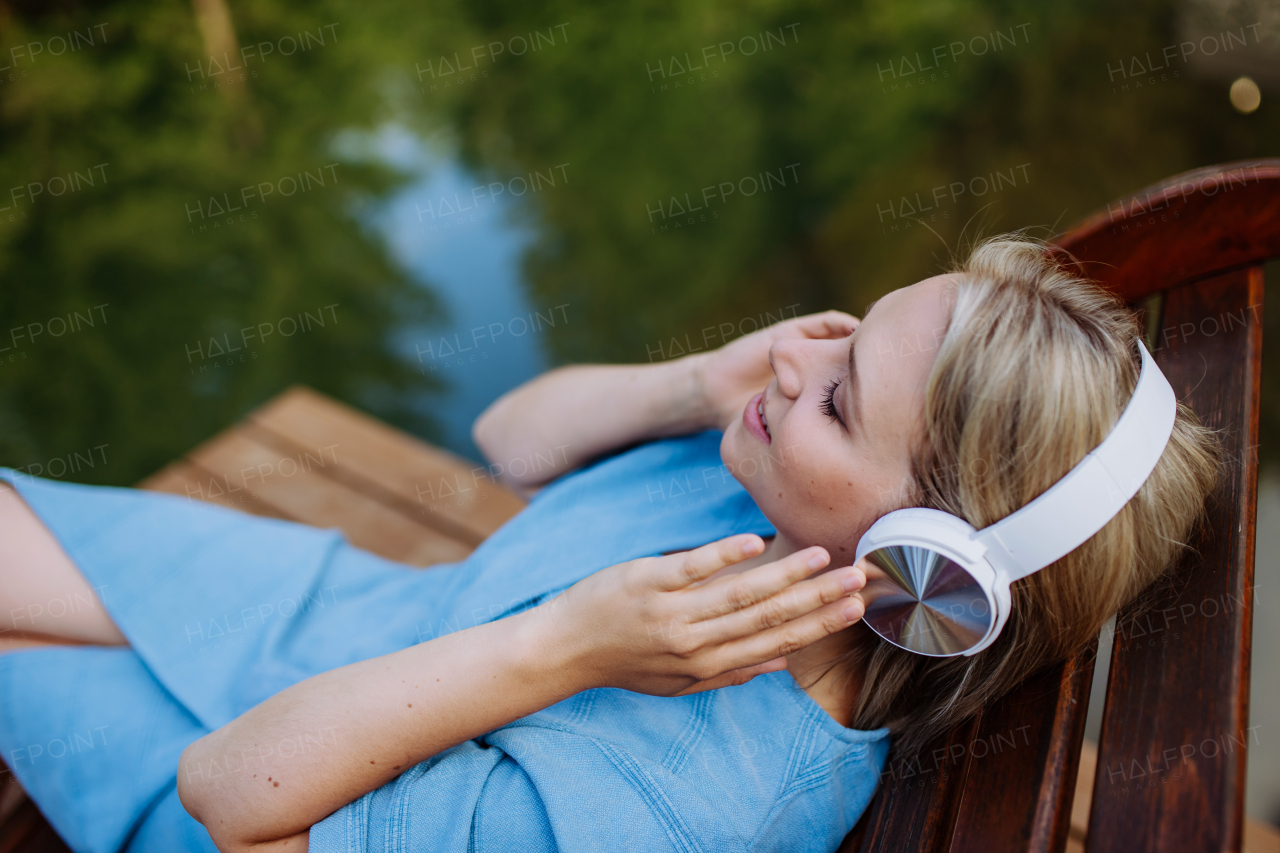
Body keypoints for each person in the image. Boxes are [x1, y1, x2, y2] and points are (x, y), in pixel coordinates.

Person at [0, 236, 1219, 853]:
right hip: (345, 617)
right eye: (846, 335)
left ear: (920, 569)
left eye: (840, 398)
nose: (795, 356)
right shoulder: (780, 498)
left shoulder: (687, 810)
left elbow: (229, 796)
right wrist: (696, 385)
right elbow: (508, 436)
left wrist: (564, 648)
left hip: (290, 763)